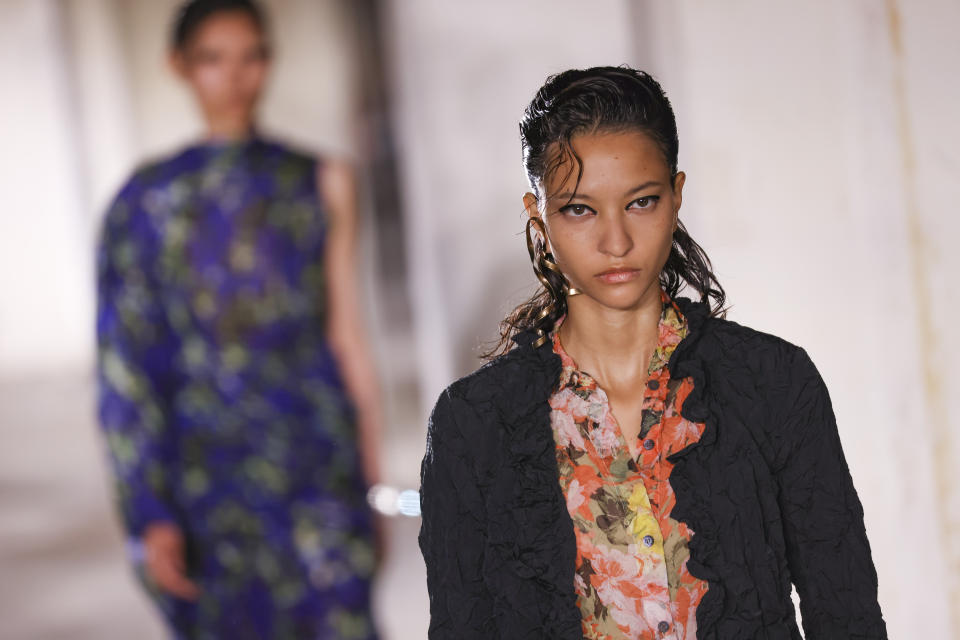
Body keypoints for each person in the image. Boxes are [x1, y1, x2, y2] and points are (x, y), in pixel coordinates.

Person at [418, 66, 886, 639]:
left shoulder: (774, 382)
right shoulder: (473, 423)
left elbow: (846, 612)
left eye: (640, 202)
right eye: (579, 209)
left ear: (677, 194)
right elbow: (461, 626)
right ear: (537, 215)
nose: (616, 242)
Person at [96, 1, 381, 637]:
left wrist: (371, 481)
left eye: (252, 56)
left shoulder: (321, 180)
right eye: (213, 59)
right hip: (206, 477)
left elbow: (346, 334)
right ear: (180, 67)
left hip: (315, 458)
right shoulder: (144, 203)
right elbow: (125, 367)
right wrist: (147, 508)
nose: (236, 76)